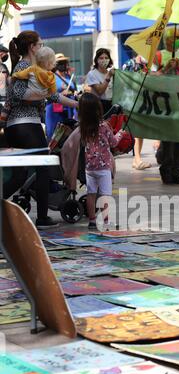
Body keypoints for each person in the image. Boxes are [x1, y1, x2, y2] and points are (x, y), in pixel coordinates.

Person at [5, 31, 78, 229]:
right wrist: (43, 94)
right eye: (40, 43)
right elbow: (19, 94)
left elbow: (53, 96)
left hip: (20, 127)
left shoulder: (35, 69)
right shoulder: (24, 66)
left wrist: (78, 104)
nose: (42, 46)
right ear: (32, 47)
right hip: (25, 125)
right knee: (43, 167)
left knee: (20, 176)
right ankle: (43, 217)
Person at [153, 27, 179, 184]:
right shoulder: (158, 56)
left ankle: (178, 171)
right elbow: (151, 76)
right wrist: (166, 68)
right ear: (167, 39)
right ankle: (166, 169)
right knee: (168, 138)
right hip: (165, 103)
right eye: (176, 36)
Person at [78, 92, 124, 230]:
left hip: (89, 167)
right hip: (103, 167)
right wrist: (121, 133)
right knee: (105, 195)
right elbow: (114, 143)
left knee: (91, 194)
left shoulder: (82, 127)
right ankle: (105, 221)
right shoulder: (104, 126)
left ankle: (92, 220)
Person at [123, 54, 151, 171]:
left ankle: (137, 160)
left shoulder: (146, 66)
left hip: (142, 101)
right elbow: (125, 80)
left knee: (141, 132)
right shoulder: (129, 64)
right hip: (131, 101)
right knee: (137, 131)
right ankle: (137, 159)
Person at [45, 52, 77, 140]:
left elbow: (74, 90)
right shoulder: (50, 76)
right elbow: (47, 94)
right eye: (59, 63)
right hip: (55, 110)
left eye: (64, 62)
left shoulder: (69, 77)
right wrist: (61, 94)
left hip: (69, 109)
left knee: (68, 134)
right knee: (54, 135)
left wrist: (75, 93)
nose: (62, 65)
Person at [85, 48, 114, 115]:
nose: (104, 60)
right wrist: (108, 77)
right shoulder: (92, 74)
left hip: (111, 104)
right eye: (101, 58)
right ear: (97, 60)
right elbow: (100, 91)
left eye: (106, 58)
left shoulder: (112, 73)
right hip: (98, 106)